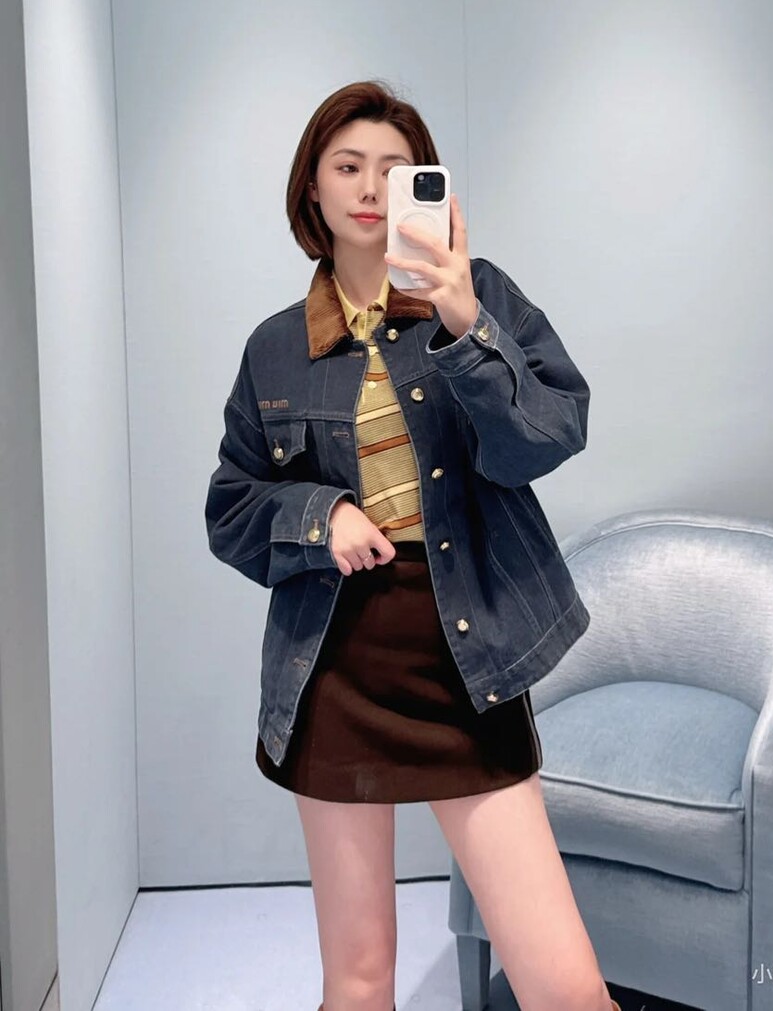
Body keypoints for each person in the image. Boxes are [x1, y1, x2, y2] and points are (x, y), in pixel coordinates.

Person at [205, 80, 621, 1011]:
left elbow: (549, 434)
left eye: (393, 169)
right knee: (358, 982)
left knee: (566, 988)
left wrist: (467, 321)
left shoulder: (476, 295)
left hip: (466, 654)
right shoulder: (274, 349)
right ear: (312, 188)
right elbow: (230, 504)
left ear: (423, 187)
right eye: (347, 166)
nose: (368, 187)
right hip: (335, 664)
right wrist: (321, 516)